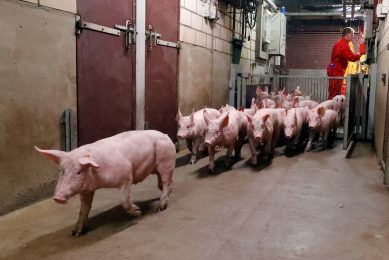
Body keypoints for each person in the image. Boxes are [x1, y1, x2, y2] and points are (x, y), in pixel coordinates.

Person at [327, 27, 366, 99]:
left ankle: (331, 107)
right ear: (346, 35)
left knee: (333, 91)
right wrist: (361, 48)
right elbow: (352, 58)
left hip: (333, 68)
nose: (353, 36)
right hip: (337, 70)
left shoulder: (339, 43)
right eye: (352, 35)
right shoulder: (343, 45)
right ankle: (332, 108)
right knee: (335, 93)